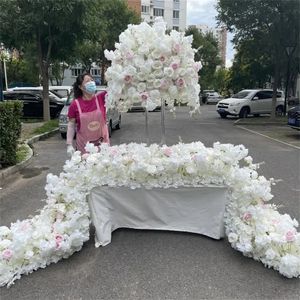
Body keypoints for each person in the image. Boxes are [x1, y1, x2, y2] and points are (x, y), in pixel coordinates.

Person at [66, 73, 109, 157]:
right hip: (84, 148)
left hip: (102, 145)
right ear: (81, 87)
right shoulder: (75, 105)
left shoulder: (102, 98)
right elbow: (71, 125)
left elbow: (116, 90)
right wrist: (69, 144)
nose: (91, 82)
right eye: (87, 81)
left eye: (92, 80)